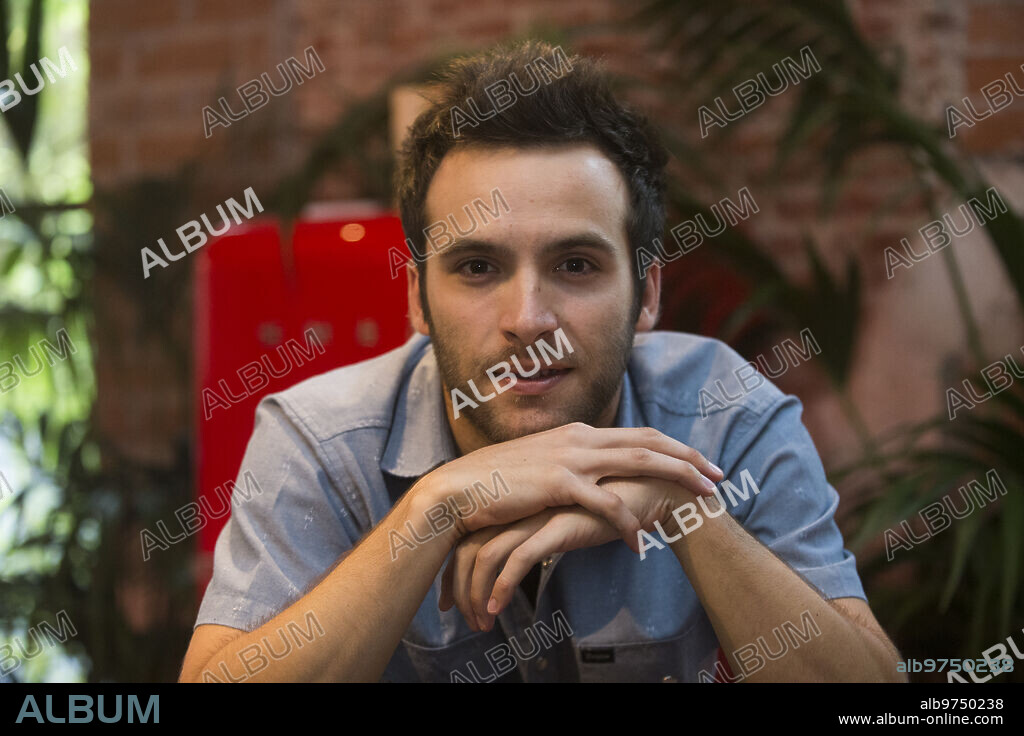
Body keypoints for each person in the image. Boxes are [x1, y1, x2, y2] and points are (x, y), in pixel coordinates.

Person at [179, 39, 904, 683]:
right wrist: (437, 507)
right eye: (476, 268)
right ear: (417, 298)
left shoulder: (724, 415)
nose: (529, 320)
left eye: (578, 264)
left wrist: (685, 509)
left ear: (647, 292)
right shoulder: (320, 440)